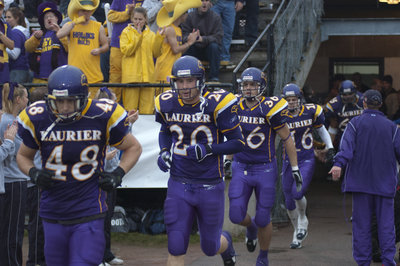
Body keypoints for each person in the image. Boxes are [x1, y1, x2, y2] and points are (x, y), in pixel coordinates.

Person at [16, 65, 142, 265]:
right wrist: (33, 173)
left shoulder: (101, 115)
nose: (64, 107)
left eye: (70, 101)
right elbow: (23, 155)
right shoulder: (39, 116)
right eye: (59, 101)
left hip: (89, 208)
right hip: (52, 209)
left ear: (83, 98)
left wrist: (118, 173)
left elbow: (134, 147)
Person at [155, 55, 245, 266]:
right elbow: (165, 131)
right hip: (178, 182)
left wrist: (208, 149)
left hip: (209, 184)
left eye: (189, 81)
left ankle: (227, 245)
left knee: (210, 247)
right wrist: (164, 151)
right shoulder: (167, 103)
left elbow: (238, 143)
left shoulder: (216, 104)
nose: (184, 87)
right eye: (180, 81)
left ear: (200, 81)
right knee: (176, 246)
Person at [225, 68, 302, 266]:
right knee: (235, 215)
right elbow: (231, 135)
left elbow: (287, 137)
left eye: (253, 85)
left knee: (263, 217)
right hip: (241, 166)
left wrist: (294, 168)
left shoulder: (269, 107)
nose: (249, 89)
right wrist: (227, 158)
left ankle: (263, 256)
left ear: (262, 86)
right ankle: (250, 229)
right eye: (246, 85)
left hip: (264, 168)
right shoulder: (234, 105)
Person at [329, 89, 400, 266]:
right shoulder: (392, 127)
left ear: (364, 103)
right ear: (381, 105)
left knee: (362, 226)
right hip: (385, 184)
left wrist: (338, 165)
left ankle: (363, 262)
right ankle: (387, 261)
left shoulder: (355, 124)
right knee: (386, 226)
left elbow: (346, 149)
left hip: (360, 184)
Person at [281, 83, 334, 249]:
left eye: (293, 99)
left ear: (300, 99)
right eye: (288, 100)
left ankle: (303, 219)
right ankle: (296, 232)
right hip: (288, 160)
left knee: (298, 193)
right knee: (288, 201)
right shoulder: (279, 114)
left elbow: (322, 130)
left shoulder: (310, 111)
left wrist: (330, 147)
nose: (291, 102)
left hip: (306, 158)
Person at [95, 87, 138, 266]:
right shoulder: (96, 123)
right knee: (99, 218)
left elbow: (124, 138)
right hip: (99, 176)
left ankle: (106, 253)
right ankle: (97, 256)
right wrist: (105, 157)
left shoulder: (112, 123)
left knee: (108, 216)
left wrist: (129, 122)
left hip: (111, 175)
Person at [0, 82, 29, 266]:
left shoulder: (10, 119)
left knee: (14, 230)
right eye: (26, 96)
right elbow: (14, 153)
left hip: (15, 179)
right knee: (12, 230)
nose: (28, 99)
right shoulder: (8, 121)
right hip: (13, 180)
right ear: (18, 99)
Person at [57, 0, 109, 98]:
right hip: (75, 76)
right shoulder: (70, 25)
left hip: (94, 76)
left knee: (92, 106)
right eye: (83, 11)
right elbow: (59, 35)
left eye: (88, 11)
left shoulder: (98, 26)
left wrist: (99, 50)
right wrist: (73, 23)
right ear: (78, 11)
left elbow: (106, 45)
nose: (86, 13)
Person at [154, 0, 200, 89]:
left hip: (172, 70)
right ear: (181, 14)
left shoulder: (178, 29)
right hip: (164, 72)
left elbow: (180, 51)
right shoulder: (169, 29)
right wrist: (189, 42)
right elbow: (175, 50)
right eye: (186, 13)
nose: (187, 15)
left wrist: (190, 41)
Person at [25, 86, 48, 266]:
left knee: (41, 222)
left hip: (36, 178)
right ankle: (35, 259)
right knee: (38, 223)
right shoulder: (36, 121)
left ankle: (40, 258)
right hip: (36, 179)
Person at [120, 7, 157, 114]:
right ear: (131, 18)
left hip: (148, 77)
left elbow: (156, 53)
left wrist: (160, 38)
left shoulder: (151, 34)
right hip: (131, 77)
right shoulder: (125, 32)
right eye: (135, 19)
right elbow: (126, 51)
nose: (138, 22)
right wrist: (138, 38)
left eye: (140, 19)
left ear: (145, 19)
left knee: (147, 112)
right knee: (130, 111)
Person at [25, 2, 68, 86]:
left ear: (57, 19)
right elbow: (27, 48)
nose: (49, 19)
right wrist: (35, 38)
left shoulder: (64, 32)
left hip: (58, 79)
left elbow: (69, 48)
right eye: (46, 17)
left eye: (51, 16)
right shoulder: (38, 34)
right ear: (43, 22)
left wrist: (60, 33)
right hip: (38, 79)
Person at [181, 0, 223, 82]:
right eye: (202, 0)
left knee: (214, 47)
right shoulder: (189, 16)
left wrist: (203, 39)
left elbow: (218, 37)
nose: (204, 3)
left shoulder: (216, 17)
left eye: (207, 0)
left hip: (208, 49)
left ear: (210, 3)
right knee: (187, 47)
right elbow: (183, 35)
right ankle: (187, 76)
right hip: (194, 48)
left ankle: (214, 78)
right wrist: (191, 38)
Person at [107, 0, 135, 102]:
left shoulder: (147, 1)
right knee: (115, 75)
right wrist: (127, 13)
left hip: (136, 46)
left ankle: (130, 107)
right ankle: (113, 106)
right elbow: (110, 17)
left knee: (133, 77)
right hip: (117, 44)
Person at [324, 80, 363, 149]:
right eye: (345, 95)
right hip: (344, 139)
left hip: (362, 137)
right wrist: (328, 148)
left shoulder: (363, 100)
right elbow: (333, 126)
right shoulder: (335, 105)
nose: (348, 97)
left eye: (350, 94)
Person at [211, 0, 243, 68]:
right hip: (214, 2)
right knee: (212, 30)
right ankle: (212, 57)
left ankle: (224, 58)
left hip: (230, 3)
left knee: (228, 32)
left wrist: (240, 1)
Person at [5, 7, 31, 84]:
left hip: (17, 69)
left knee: (15, 94)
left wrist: (3, 48)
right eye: (5, 17)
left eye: (9, 17)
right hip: (22, 68)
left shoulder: (16, 32)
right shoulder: (22, 31)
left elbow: (14, 54)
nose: (6, 19)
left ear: (16, 18)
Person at [0, 0, 15, 85]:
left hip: (3, 64)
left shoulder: (6, 25)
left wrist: (1, 35)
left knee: (3, 93)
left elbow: (11, 45)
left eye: (0, 9)